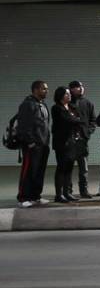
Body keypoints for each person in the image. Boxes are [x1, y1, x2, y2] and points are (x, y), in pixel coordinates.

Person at [15, 80, 50, 208]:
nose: (46, 91)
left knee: (39, 172)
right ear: (35, 90)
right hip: (32, 146)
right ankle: (23, 197)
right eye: (44, 89)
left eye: (46, 89)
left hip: (43, 145)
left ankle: (35, 196)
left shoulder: (42, 105)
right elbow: (23, 127)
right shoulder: (27, 105)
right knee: (28, 171)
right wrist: (30, 143)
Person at [51, 86, 86, 203]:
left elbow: (80, 118)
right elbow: (69, 121)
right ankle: (58, 195)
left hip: (72, 142)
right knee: (61, 168)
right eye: (66, 94)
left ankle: (67, 192)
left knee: (69, 168)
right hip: (62, 142)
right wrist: (75, 119)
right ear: (60, 96)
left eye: (69, 93)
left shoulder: (71, 107)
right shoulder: (56, 108)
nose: (69, 95)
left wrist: (76, 119)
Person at [68, 80, 97, 198]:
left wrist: (87, 133)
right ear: (71, 89)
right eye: (78, 87)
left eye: (81, 87)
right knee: (68, 167)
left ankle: (83, 191)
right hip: (69, 141)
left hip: (83, 140)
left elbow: (93, 121)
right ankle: (67, 191)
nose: (81, 89)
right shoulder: (67, 103)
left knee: (83, 168)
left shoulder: (88, 103)